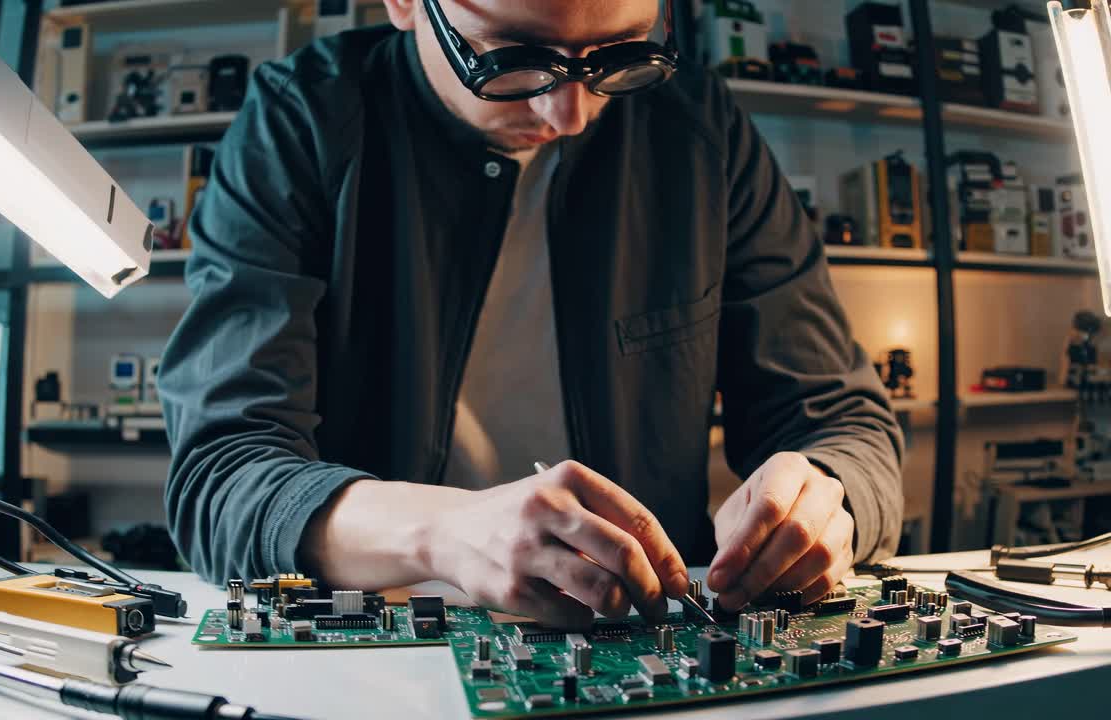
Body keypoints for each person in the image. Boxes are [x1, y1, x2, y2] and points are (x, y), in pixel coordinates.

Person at [158, 0, 904, 627]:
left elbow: (842, 421)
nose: (569, 112)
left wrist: (826, 491)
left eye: (620, 52)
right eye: (511, 56)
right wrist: (442, 533)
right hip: (380, 646)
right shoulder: (302, 119)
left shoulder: (700, 131)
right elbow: (221, 477)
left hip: (639, 643)